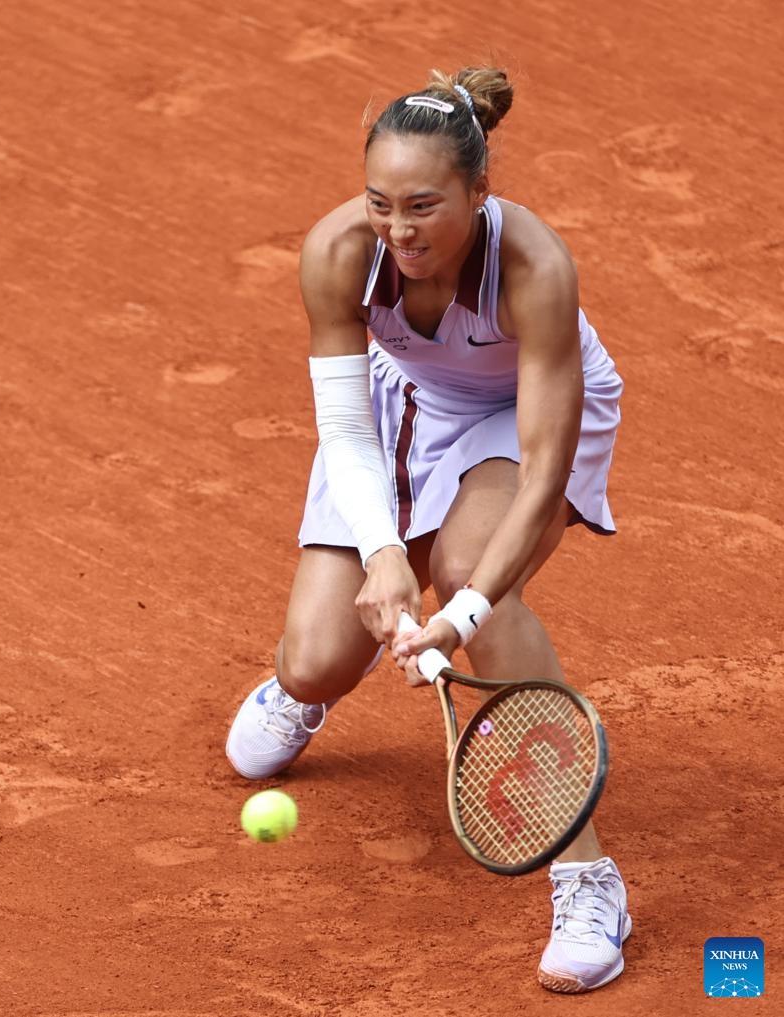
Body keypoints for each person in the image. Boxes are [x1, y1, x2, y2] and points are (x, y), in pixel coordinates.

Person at [225, 66, 630, 993]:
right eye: (380, 205)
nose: (399, 232)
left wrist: (467, 609)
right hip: (398, 409)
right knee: (314, 658)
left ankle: (587, 875)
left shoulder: (534, 269)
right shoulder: (338, 251)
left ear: (479, 193)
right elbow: (343, 425)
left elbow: (540, 478)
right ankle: (314, 684)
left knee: (467, 572)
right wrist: (376, 555)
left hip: (517, 423)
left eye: (422, 208)